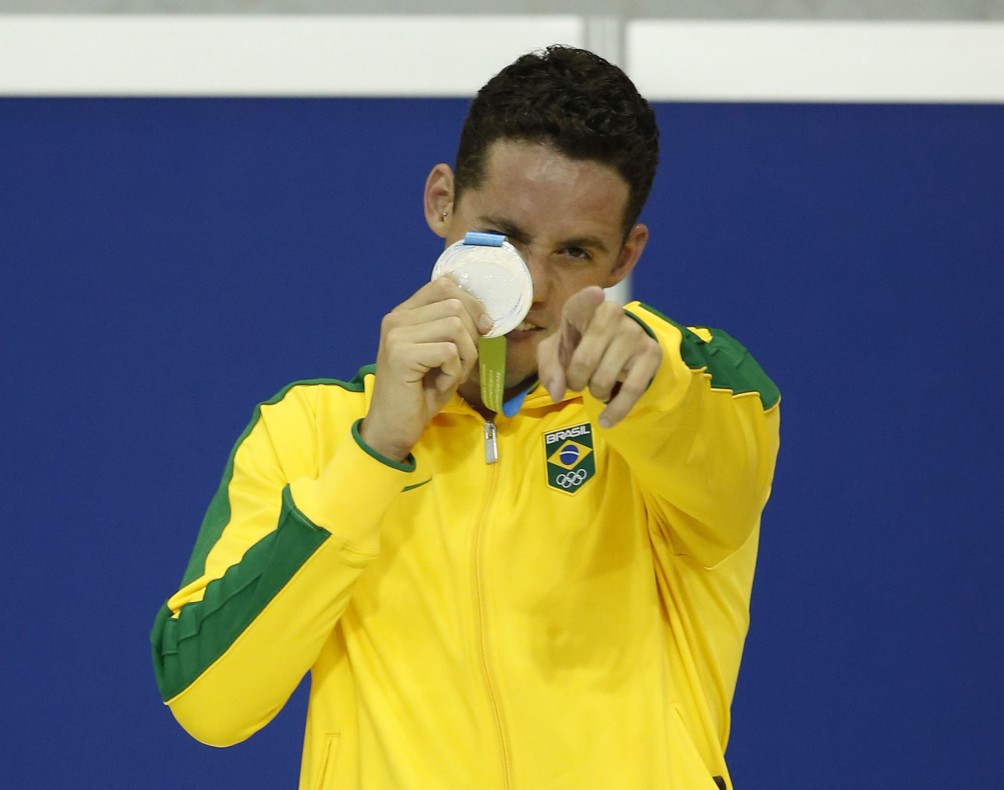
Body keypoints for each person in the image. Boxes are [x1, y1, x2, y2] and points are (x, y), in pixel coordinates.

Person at [151, 45, 780, 790]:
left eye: (576, 252)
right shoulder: (309, 433)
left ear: (623, 258)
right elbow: (207, 701)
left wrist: (650, 362)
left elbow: (718, 409)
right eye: (506, 237)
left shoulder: (664, 420)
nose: (537, 288)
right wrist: (375, 452)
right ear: (441, 201)